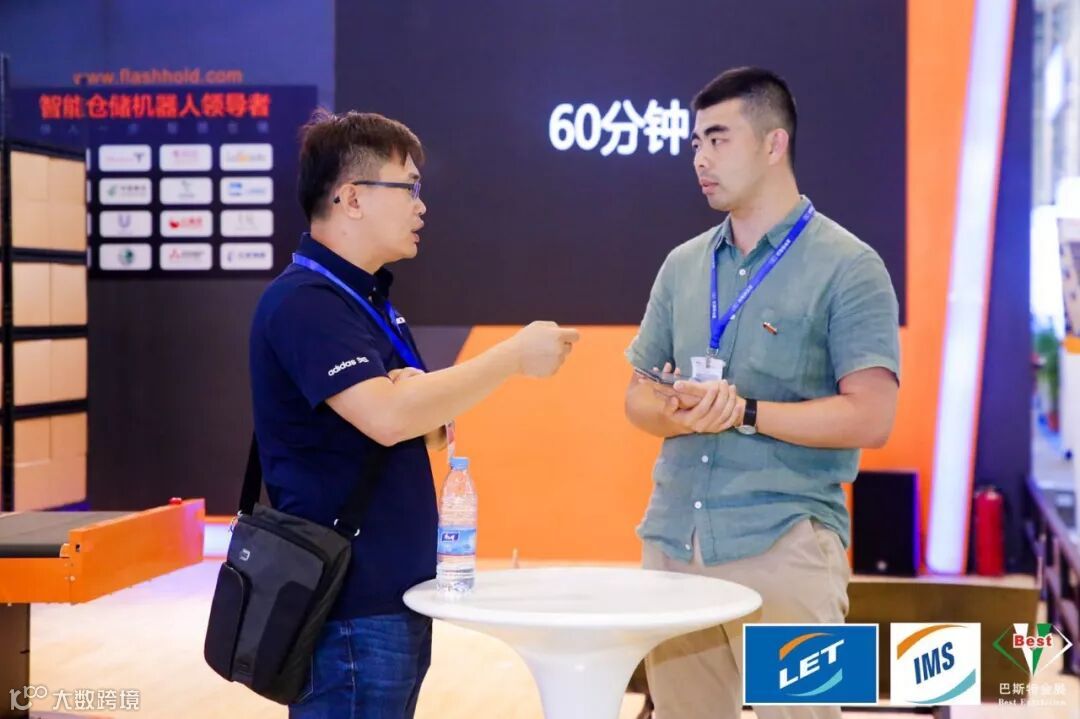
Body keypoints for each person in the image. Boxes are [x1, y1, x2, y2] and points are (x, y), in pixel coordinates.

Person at [249, 109, 580, 718]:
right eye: (407, 188)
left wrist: (412, 400)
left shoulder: (368, 299)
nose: (421, 207)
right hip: (346, 609)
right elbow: (391, 419)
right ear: (352, 197)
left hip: (388, 599)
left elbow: (431, 427)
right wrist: (510, 357)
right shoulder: (306, 302)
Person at [624, 67, 900, 719]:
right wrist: (679, 411)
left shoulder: (849, 265)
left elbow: (873, 416)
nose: (700, 158)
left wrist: (744, 411)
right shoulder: (683, 265)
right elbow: (636, 399)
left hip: (787, 545)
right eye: (696, 143)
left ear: (774, 144)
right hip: (675, 541)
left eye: (718, 139)